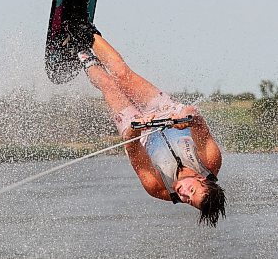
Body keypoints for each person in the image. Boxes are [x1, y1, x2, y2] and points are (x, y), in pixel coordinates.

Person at [62, 20, 226, 227]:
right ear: (203, 181)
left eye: (187, 200)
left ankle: (79, 51)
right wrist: (186, 118)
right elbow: (199, 121)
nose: (183, 193)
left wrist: (136, 126)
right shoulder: (211, 162)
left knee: (109, 85)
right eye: (191, 191)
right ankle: (86, 31)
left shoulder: (159, 189)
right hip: (166, 110)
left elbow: (132, 149)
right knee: (122, 75)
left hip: (140, 134)